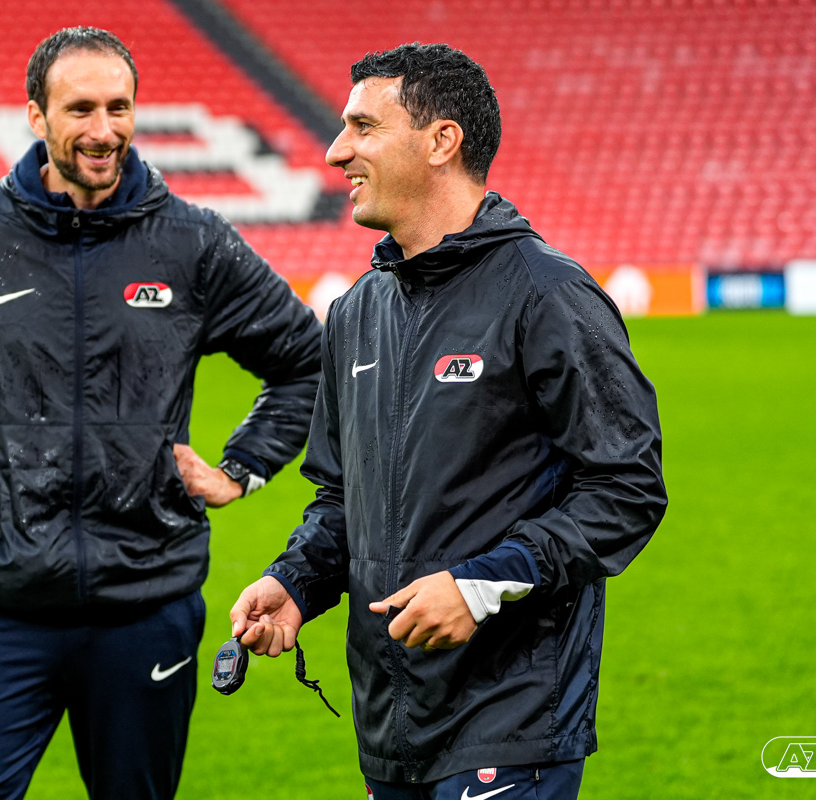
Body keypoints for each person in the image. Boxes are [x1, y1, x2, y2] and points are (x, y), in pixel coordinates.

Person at [0, 26, 322, 800]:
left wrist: (242, 468)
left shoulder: (192, 241)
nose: (103, 130)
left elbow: (305, 361)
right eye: (81, 109)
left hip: (147, 602)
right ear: (36, 115)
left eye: (119, 108)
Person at [230, 43, 668, 799]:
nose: (336, 152)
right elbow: (340, 497)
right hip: (391, 724)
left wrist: (480, 585)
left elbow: (626, 488)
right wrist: (296, 581)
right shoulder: (356, 311)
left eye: (364, 127)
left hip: (511, 718)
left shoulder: (548, 295)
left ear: (441, 141)